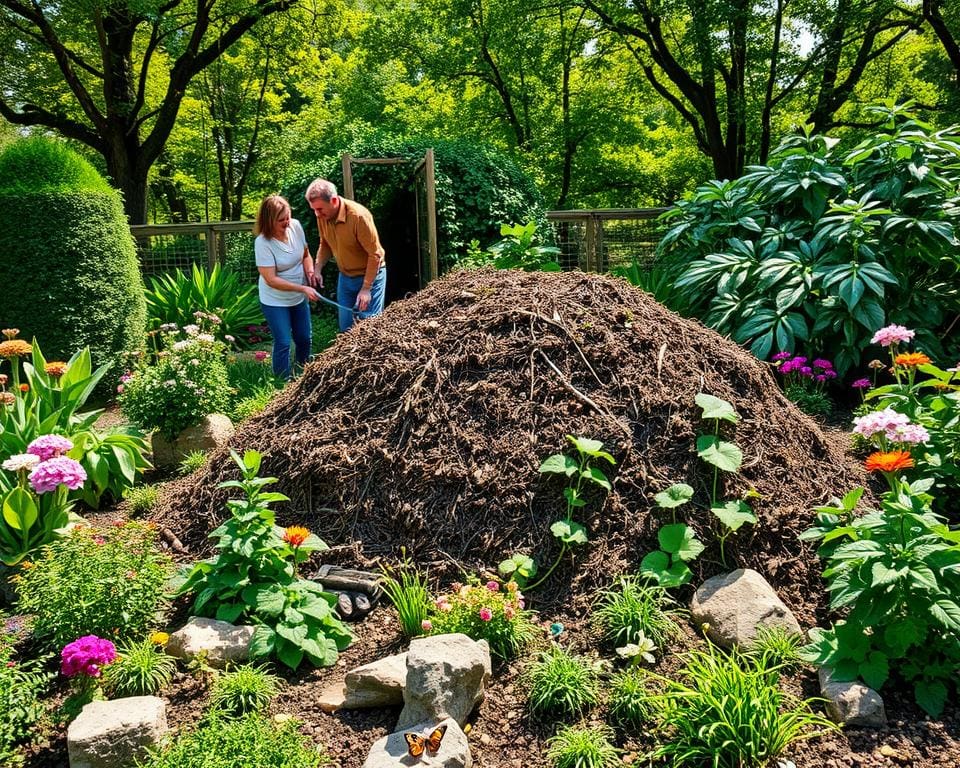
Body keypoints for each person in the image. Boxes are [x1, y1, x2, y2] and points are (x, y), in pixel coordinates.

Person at [304, 179, 387, 332]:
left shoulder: (358, 217)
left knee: (369, 329)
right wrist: (317, 268)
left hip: (370, 277)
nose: (317, 214)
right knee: (346, 329)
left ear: (334, 200)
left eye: (320, 209)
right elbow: (325, 243)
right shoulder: (322, 216)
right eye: (314, 209)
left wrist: (366, 288)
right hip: (346, 277)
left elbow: (375, 254)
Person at [253, 194, 319, 379]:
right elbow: (271, 279)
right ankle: (282, 382)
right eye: (281, 220)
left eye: (288, 217)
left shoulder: (296, 226)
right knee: (283, 341)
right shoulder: (263, 243)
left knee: (304, 338)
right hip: (274, 300)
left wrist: (310, 272)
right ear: (269, 221)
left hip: (298, 297)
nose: (287, 222)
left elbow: (306, 254)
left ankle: (304, 375)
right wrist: (303, 289)